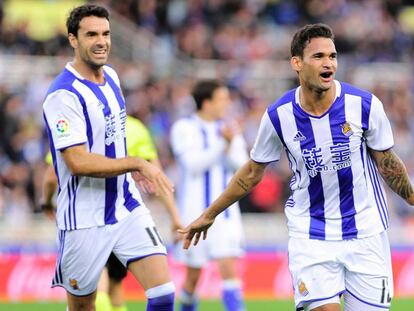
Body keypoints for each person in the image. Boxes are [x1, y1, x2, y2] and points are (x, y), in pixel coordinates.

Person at [178, 23, 414, 311]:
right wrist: (209, 214)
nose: (328, 63)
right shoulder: (279, 116)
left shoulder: (364, 105)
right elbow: (252, 172)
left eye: (332, 56)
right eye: (318, 56)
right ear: (297, 63)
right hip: (310, 234)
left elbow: (388, 164)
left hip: (365, 233)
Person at [42, 4, 175, 311]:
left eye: (105, 33)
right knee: (83, 307)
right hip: (84, 218)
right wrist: (137, 163)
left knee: (163, 293)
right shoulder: (63, 95)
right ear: (73, 39)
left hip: (125, 204)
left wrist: (133, 168)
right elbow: (78, 161)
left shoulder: (112, 77)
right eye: (91, 34)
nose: (101, 41)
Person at [40, 115, 182, 311]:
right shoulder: (135, 127)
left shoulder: (77, 127)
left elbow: (50, 176)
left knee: (98, 289)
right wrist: (175, 216)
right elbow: (157, 177)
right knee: (115, 288)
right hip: (123, 216)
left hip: (90, 218)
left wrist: (46, 202)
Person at [170, 80, 248, 311]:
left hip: (226, 216)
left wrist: (230, 143)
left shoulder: (228, 128)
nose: (227, 104)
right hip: (193, 215)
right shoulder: (184, 128)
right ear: (206, 102)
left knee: (229, 270)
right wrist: (222, 144)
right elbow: (192, 165)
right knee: (193, 278)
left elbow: (243, 165)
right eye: (222, 99)